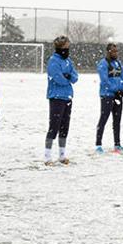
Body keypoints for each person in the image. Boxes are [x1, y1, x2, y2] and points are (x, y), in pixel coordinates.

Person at [45, 36, 78, 165]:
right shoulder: (53, 61)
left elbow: (75, 76)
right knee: (54, 126)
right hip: (56, 97)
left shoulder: (68, 61)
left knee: (65, 126)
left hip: (68, 97)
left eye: (68, 48)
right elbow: (58, 78)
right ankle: (47, 156)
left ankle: (62, 154)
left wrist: (69, 76)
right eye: (64, 48)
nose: (66, 50)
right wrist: (67, 78)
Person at [95, 42, 123, 153]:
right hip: (107, 96)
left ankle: (117, 145)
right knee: (103, 119)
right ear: (108, 51)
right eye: (113, 51)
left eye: (117, 51)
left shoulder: (118, 63)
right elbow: (105, 81)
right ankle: (98, 145)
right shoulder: (103, 64)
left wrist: (122, 89)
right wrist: (115, 89)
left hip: (118, 96)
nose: (116, 53)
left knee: (117, 120)